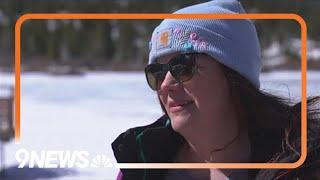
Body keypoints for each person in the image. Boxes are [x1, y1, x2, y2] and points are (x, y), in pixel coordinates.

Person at [111, 0, 320, 179]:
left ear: (233, 76)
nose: (165, 84)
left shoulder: (303, 165)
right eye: (157, 71)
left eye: (182, 67)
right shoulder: (141, 163)